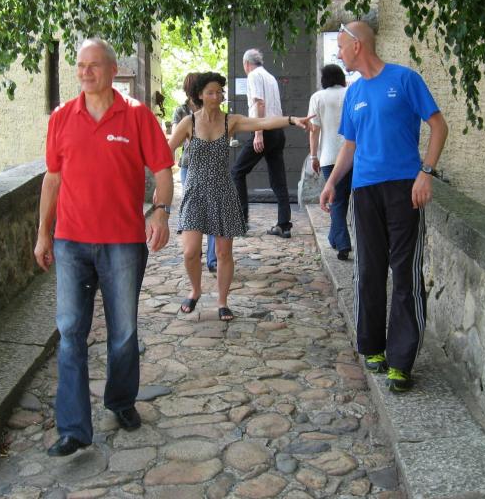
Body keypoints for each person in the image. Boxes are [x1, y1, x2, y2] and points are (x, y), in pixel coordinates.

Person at [34, 38, 174, 457]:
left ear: (113, 70)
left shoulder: (136, 115)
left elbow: (163, 170)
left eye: (94, 65)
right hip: (71, 243)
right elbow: (52, 179)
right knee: (70, 333)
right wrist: (43, 233)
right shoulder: (62, 117)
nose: (85, 72)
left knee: (123, 332)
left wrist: (161, 212)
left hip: (123, 243)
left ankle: (120, 400)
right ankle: (74, 428)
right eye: (80, 65)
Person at [320, 21, 448, 393]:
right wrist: (332, 182)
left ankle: (402, 360)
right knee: (369, 271)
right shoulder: (354, 93)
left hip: (404, 188)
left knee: (405, 272)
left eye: (341, 46)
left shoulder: (405, 80)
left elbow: (439, 126)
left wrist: (426, 173)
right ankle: (373, 346)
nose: (338, 53)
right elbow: (350, 145)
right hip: (365, 191)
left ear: (357, 45)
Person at [170, 72, 312, 321]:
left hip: (223, 192)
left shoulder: (230, 121)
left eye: (219, 92)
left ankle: (222, 301)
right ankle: (195, 290)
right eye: (211, 92)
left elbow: (263, 122)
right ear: (200, 95)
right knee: (190, 252)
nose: (216, 97)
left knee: (224, 253)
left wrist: (291, 120)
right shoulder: (188, 122)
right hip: (195, 193)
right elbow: (165, 151)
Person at [231, 49, 292, 238]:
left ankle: (241, 221)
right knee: (278, 180)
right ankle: (284, 225)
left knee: (237, 171)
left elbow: (259, 103)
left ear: (246, 64)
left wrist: (258, 133)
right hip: (277, 130)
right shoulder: (270, 77)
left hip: (264, 130)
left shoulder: (253, 76)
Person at [171, 73, 217, 273]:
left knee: (214, 210)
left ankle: (213, 259)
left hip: (211, 167)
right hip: (188, 165)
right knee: (193, 210)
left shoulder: (211, 108)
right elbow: (175, 139)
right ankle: (194, 250)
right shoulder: (181, 111)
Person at [307, 64, 352, 261]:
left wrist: (313, 156)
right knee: (343, 199)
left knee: (337, 200)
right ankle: (335, 238)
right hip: (352, 155)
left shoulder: (318, 97)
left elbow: (314, 130)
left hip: (329, 156)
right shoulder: (351, 93)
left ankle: (342, 243)